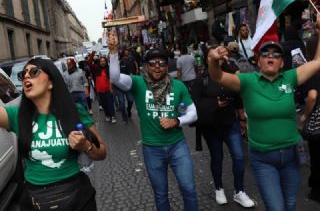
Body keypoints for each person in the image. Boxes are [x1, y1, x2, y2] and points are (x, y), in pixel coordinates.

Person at [207, 16, 320, 211]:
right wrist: (213, 60)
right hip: (264, 159)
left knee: (290, 205)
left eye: (276, 55)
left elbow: (318, 62)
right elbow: (217, 76)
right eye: (265, 54)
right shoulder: (247, 82)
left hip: (291, 155)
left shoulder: (290, 78)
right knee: (276, 208)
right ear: (258, 61)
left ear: (282, 63)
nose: (270, 57)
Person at [108, 31, 198, 211]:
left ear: (167, 66)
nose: (157, 67)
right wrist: (113, 52)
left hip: (177, 146)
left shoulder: (178, 85)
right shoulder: (138, 83)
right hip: (152, 148)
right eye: (153, 63)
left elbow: (193, 113)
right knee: (160, 193)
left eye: (162, 63)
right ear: (146, 66)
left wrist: (176, 121)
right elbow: (115, 78)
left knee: (188, 188)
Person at [0, 58, 107, 210]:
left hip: (76, 197)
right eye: (23, 74)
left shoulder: (74, 111)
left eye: (34, 72)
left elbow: (102, 152)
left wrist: (86, 145)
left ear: (51, 82)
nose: (26, 77)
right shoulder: (17, 115)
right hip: (35, 200)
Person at [191, 47, 255, 207]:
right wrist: (214, 104)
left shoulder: (230, 75)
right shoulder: (200, 80)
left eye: (221, 57)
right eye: (215, 56)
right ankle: (218, 188)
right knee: (217, 158)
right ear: (207, 59)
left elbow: (238, 96)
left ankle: (239, 191)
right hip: (211, 127)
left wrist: (242, 119)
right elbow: (195, 104)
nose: (219, 59)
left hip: (230, 123)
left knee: (239, 157)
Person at [300, 34, 320, 202]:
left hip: (318, 121)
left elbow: (312, 96)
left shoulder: (312, 70)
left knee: (316, 156)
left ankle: (316, 190)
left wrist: (305, 115)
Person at [88, 52, 116, 123]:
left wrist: (111, 89)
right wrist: (92, 54)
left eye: (104, 61)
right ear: (99, 62)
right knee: (104, 105)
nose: (102, 62)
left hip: (108, 90)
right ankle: (107, 115)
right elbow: (89, 63)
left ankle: (112, 116)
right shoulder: (97, 69)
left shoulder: (109, 69)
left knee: (110, 104)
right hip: (100, 91)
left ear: (106, 62)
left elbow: (111, 80)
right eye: (101, 61)